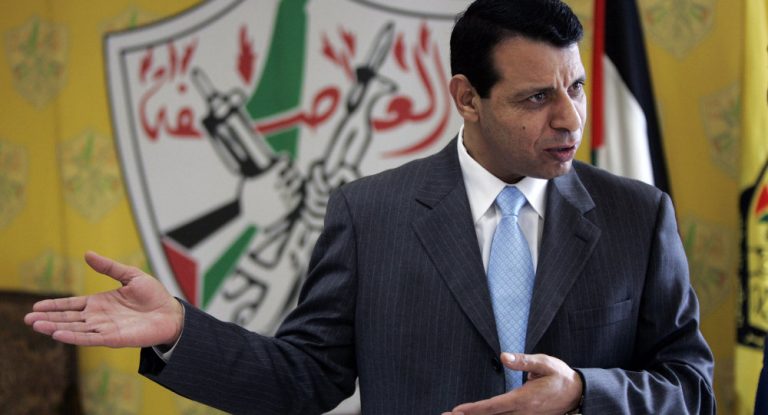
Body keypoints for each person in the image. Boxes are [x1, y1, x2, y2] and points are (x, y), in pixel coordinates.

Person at [25, 0, 716, 413]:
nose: (570, 118)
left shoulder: (639, 215)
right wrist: (180, 329)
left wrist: (583, 392)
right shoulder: (370, 215)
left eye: (576, 87)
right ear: (467, 98)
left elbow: (691, 386)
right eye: (537, 97)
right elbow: (302, 379)